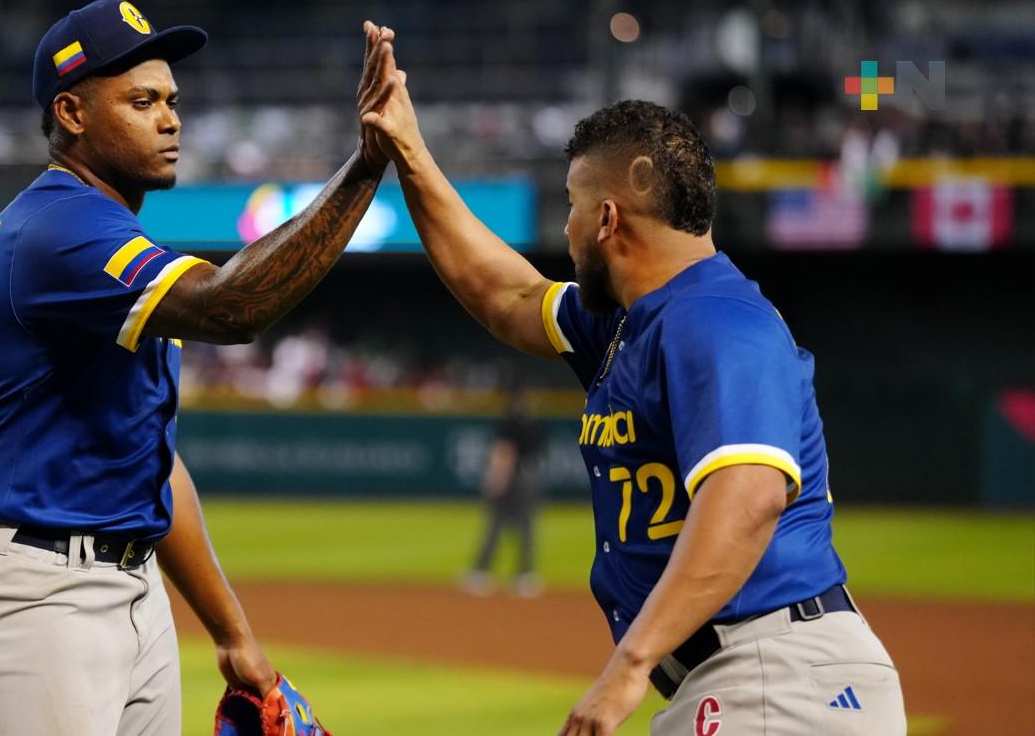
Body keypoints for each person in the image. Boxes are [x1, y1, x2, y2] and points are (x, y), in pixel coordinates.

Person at [0, 0, 395, 736]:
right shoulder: (62, 226)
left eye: (171, 100)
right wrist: (366, 167)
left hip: (123, 579)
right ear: (71, 111)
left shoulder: (105, 235)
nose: (170, 118)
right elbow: (233, 307)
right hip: (22, 585)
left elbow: (149, 462)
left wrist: (235, 637)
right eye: (142, 101)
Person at [363, 62, 906, 733]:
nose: (565, 227)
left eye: (571, 203)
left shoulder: (719, 319)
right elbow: (507, 295)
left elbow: (748, 496)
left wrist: (628, 665)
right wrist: (410, 154)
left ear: (607, 217)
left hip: (777, 676)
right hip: (744, 678)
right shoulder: (631, 323)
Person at [463, 385, 544, 597]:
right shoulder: (532, 421)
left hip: (512, 476)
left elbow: (505, 452)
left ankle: (481, 572)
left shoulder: (508, 420)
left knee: (496, 523)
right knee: (526, 525)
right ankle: (526, 575)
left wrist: (497, 478)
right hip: (529, 476)